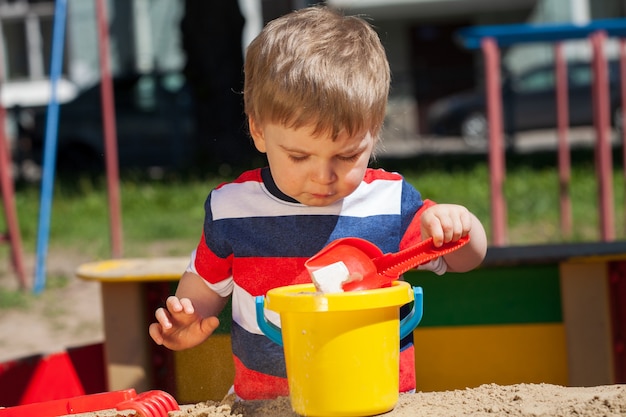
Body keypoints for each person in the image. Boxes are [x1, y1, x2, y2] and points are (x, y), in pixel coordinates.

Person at [149, 5, 488, 401]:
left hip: (377, 399)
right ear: (258, 130)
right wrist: (185, 320)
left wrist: (460, 226)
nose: (323, 176)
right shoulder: (233, 210)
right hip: (267, 403)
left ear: (373, 133)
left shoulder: (391, 202)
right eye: (299, 157)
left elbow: (466, 258)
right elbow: (203, 290)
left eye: (346, 157)